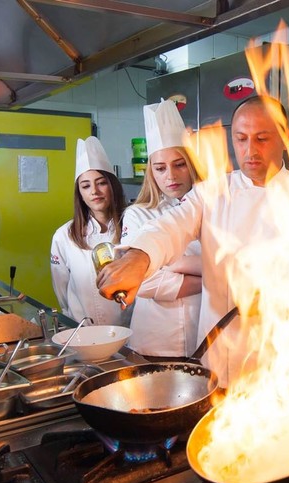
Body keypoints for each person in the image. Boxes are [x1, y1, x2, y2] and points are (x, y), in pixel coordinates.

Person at [96, 95, 289, 388]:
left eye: (262, 138)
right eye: (241, 139)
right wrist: (138, 257)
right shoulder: (214, 193)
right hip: (222, 362)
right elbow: (171, 226)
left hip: (288, 362)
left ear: (286, 138)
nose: (249, 150)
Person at [120, 99, 204, 358]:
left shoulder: (211, 208)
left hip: (204, 334)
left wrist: (171, 264)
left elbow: (230, 263)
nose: (171, 176)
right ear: (151, 173)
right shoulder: (137, 214)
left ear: (191, 166)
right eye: (160, 168)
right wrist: (207, 276)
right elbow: (143, 282)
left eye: (179, 165)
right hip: (155, 341)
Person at [50, 136, 128, 326]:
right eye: (85, 186)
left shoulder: (133, 225)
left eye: (101, 183)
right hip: (84, 332)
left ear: (113, 186)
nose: (94, 191)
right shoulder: (64, 236)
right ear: (80, 194)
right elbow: (62, 290)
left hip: (132, 332)